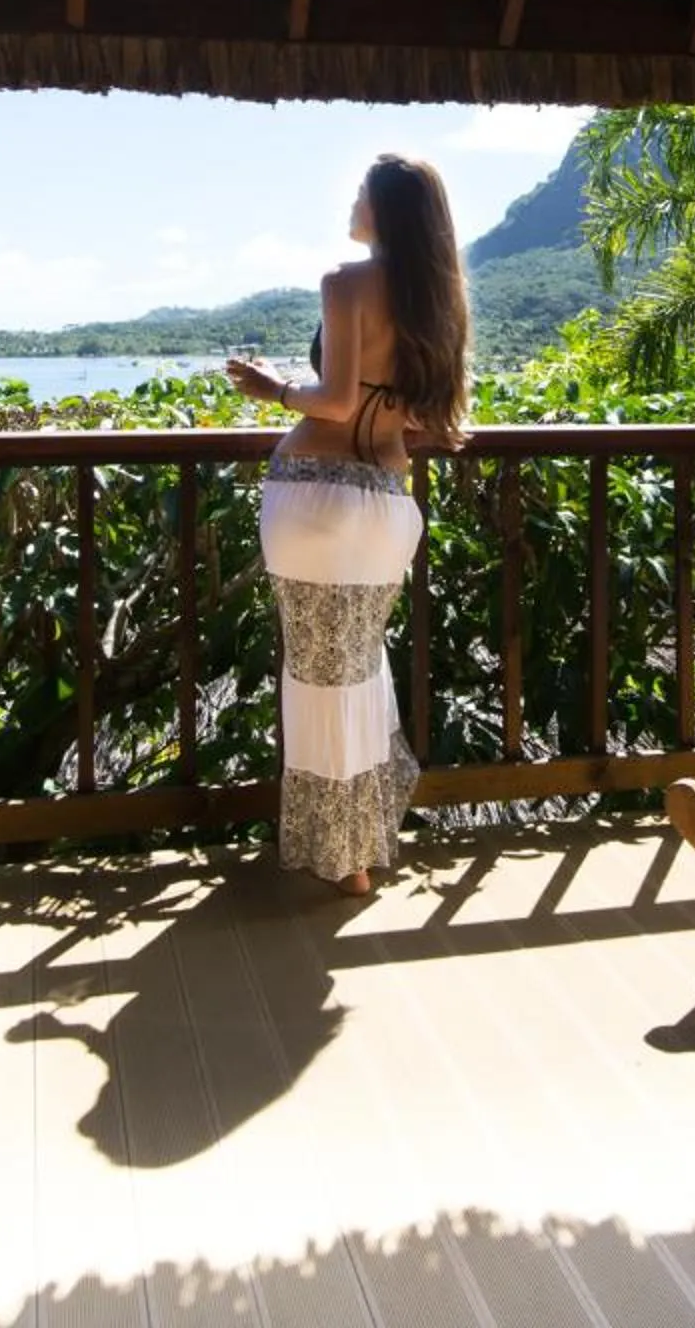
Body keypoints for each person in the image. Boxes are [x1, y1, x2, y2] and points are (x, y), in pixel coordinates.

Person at [225, 154, 471, 895]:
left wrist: (275, 388)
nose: (351, 205)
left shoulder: (345, 283)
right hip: (387, 507)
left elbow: (333, 401)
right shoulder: (442, 299)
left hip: (316, 498)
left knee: (316, 674)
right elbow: (436, 419)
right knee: (358, 667)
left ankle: (342, 855)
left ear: (385, 210)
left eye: (361, 194)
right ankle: (362, 836)